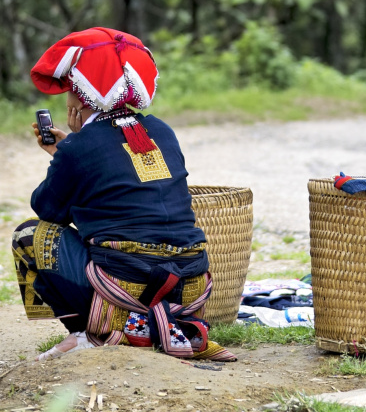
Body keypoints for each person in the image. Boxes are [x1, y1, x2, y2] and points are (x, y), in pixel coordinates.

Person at [11, 27, 236, 362]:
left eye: (71, 89)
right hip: (187, 287)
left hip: (124, 283)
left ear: (82, 97)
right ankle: (150, 323)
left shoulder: (78, 147)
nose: (67, 98)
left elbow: (48, 210)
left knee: (29, 234)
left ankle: (86, 333)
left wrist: (66, 152)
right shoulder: (161, 130)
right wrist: (71, 150)